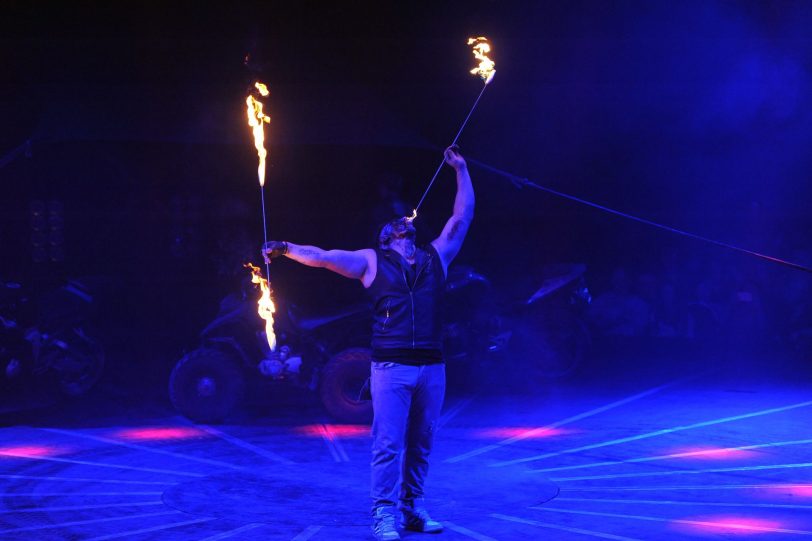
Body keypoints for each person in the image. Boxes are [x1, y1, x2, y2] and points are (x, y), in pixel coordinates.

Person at [262, 146, 473, 541]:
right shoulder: (371, 261)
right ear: (387, 237)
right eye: (396, 226)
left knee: (422, 442)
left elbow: (462, 219)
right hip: (391, 368)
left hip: (433, 366)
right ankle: (383, 514)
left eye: (407, 224)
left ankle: (413, 508)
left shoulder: (435, 257)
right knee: (388, 444)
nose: (404, 225)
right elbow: (323, 257)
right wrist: (287, 249)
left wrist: (460, 170)